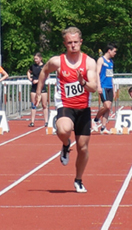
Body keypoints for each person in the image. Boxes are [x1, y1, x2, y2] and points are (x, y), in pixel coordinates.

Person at [35, 26, 98, 193]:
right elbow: (44, 72)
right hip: (65, 105)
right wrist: (39, 90)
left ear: (81, 42)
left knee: (83, 148)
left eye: (76, 42)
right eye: (69, 42)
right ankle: (65, 143)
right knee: (64, 130)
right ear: (65, 43)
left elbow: (93, 86)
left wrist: (82, 82)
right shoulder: (58, 61)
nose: (73, 45)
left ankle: (78, 179)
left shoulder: (89, 62)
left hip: (83, 108)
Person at [92, 44, 117, 134]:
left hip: (110, 86)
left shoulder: (111, 62)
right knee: (106, 105)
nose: (115, 53)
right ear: (109, 51)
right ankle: (95, 119)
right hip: (103, 86)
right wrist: (98, 86)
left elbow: (111, 76)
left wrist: (113, 89)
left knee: (108, 108)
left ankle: (103, 128)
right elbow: (97, 74)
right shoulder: (101, 60)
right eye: (114, 51)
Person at [27, 52, 48, 127]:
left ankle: (46, 121)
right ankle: (32, 121)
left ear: (40, 58)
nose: (35, 60)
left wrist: (39, 81)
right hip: (34, 87)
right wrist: (30, 78)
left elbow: (47, 76)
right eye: (34, 59)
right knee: (33, 105)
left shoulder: (44, 66)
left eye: (37, 58)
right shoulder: (33, 66)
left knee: (44, 105)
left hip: (42, 87)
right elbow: (29, 72)